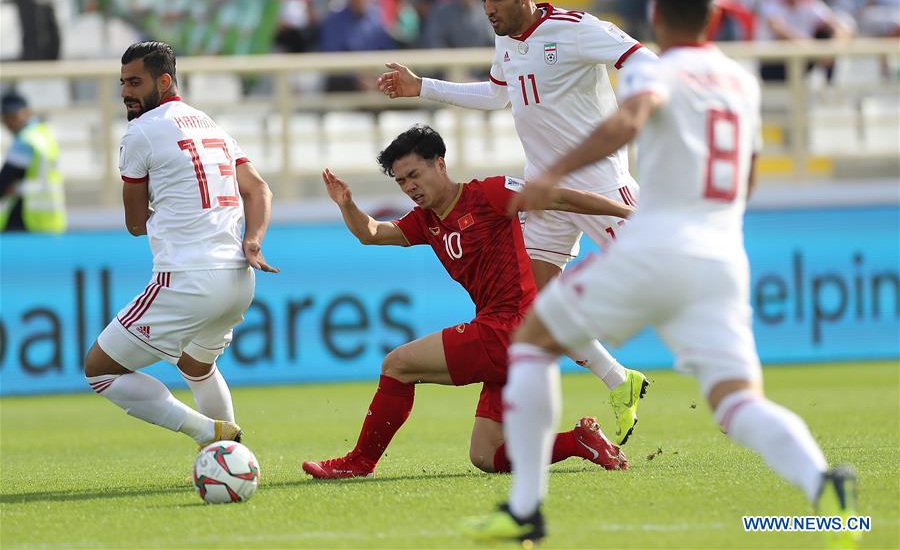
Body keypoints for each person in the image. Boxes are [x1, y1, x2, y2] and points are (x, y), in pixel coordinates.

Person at [462, 0, 858, 546]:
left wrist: (554, 174)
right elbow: (746, 178)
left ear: (656, 13)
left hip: (657, 244)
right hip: (720, 255)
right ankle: (825, 488)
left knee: (531, 340)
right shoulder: (741, 83)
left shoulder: (660, 70)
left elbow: (630, 117)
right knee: (737, 403)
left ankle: (526, 510)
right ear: (715, 15)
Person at [377, 0, 657, 446]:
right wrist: (422, 86)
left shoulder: (574, 29)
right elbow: (496, 96)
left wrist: (640, 116)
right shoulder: (507, 42)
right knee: (534, 308)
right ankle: (619, 380)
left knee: (663, 283)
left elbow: (643, 60)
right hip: (543, 193)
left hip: (600, 184)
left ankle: (731, 383)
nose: (488, 8)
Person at [301, 124, 631, 479]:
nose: (409, 187)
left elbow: (560, 198)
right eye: (401, 181)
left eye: (414, 174)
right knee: (486, 455)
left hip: (512, 326)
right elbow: (372, 233)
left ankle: (359, 461)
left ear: (440, 164)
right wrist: (347, 205)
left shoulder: (489, 193)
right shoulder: (426, 221)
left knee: (397, 364)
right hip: (509, 334)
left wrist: (628, 212)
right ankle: (579, 441)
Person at [82, 42, 279, 449]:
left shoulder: (140, 131)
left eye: (135, 82)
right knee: (196, 365)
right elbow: (258, 188)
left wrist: (162, 214)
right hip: (238, 279)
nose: (125, 92)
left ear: (164, 81)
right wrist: (253, 241)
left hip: (187, 279)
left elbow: (134, 223)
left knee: (100, 370)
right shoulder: (211, 125)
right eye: (123, 83)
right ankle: (232, 457)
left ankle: (207, 432)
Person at [0, 91, 66, 233]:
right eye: (5, 118)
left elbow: (4, 180)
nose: (9, 123)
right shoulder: (44, 134)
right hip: (50, 219)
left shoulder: (25, 141)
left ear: (27, 113)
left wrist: (16, 188)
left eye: (13, 117)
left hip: (26, 218)